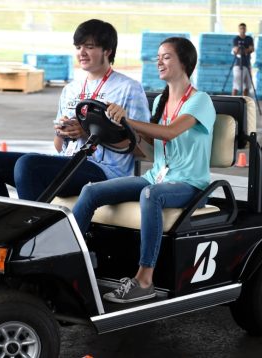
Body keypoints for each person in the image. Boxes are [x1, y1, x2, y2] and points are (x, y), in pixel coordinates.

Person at [73, 37, 216, 303]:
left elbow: (170, 133)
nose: (159, 61)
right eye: (158, 57)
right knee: (90, 191)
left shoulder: (200, 101)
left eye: (166, 56)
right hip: (157, 176)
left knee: (151, 195)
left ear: (184, 61)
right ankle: (69, 262)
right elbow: (149, 144)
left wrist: (129, 119)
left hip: (190, 183)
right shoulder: (160, 101)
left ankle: (144, 279)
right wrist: (113, 125)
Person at [0, 19, 150, 201]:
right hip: (69, 162)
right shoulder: (71, 89)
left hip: (105, 170)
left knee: (28, 165)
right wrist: (62, 132)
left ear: (107, 50)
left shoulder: (128, 88)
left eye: (89, 47)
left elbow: (142, 146)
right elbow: (59, 147)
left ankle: (35, 226)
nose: (81, 52)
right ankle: (4, 225)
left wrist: (88, 131)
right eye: (78, 47)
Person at [231, 23, 254, 96]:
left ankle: (244, 103)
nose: (242, 30)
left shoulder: (249, 39)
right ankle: (232, 103)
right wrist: (246, 50)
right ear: (238, 29)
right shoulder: (236, 39)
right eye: (241, 28)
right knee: (236, 86)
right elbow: (236, 51)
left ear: (246, 29)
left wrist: (244, 50)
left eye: (244, 28)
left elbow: (252, 49)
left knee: (247, 86)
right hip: (238, 65)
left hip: (247, 64)